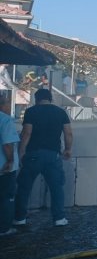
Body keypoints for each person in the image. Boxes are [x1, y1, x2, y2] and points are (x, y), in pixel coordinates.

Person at [13, 88, 73, 227]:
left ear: (36, 99)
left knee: (24, 187)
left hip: (33, 154)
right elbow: (68, 133)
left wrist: (21, 152)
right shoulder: (60, 112)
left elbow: (27, 133)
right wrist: (68, 149)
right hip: (53, 155)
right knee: (56, 188)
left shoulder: (31, 111)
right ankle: (59, 219)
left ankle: (20, 218)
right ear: (50, 98)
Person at [0, 95, 20, 236]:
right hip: (3, 168)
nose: (9, 105)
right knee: (6, 197)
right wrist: (10, 161)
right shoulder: (5, 120)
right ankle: (4, 228)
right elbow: (7, 143)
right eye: (8, 103)